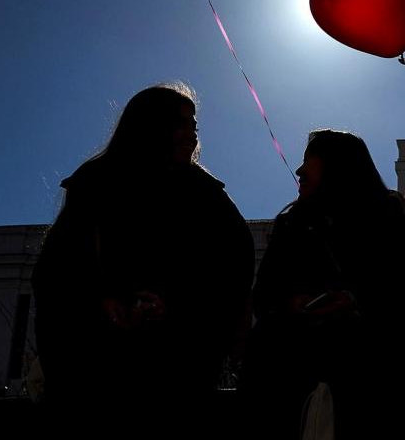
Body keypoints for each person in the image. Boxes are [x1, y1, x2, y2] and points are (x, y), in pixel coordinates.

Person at [31, 83, 254, 439]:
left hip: (177, 377)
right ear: (152, 126)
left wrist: (180, 307)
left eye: (194, 126)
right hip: (97, 377)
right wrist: (105, 302)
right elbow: (56, 273)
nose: (191, 135)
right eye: (181, 124)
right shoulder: (98, 183)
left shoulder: (208, 197)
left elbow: (234, 272)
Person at [242, 130, 405, 439]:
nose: (300, 171)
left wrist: (357, 303)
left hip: (371, 364)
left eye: (309, 161)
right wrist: (292, 304)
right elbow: (264, 296)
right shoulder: (291, 224)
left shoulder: (389, 219)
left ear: (338, 165)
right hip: (295, 358)